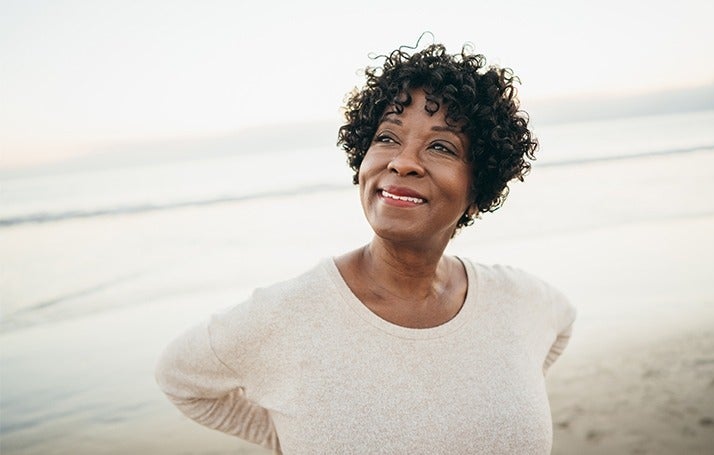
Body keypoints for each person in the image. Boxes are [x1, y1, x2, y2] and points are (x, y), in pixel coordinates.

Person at [155, 37, 576, 454]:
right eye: (388, 138)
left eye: (441, 146)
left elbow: (562, 324)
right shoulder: (289, 314)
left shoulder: (520, 300)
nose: (402, 161)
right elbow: (180, 377)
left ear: (478, 188)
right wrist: (283, 436)